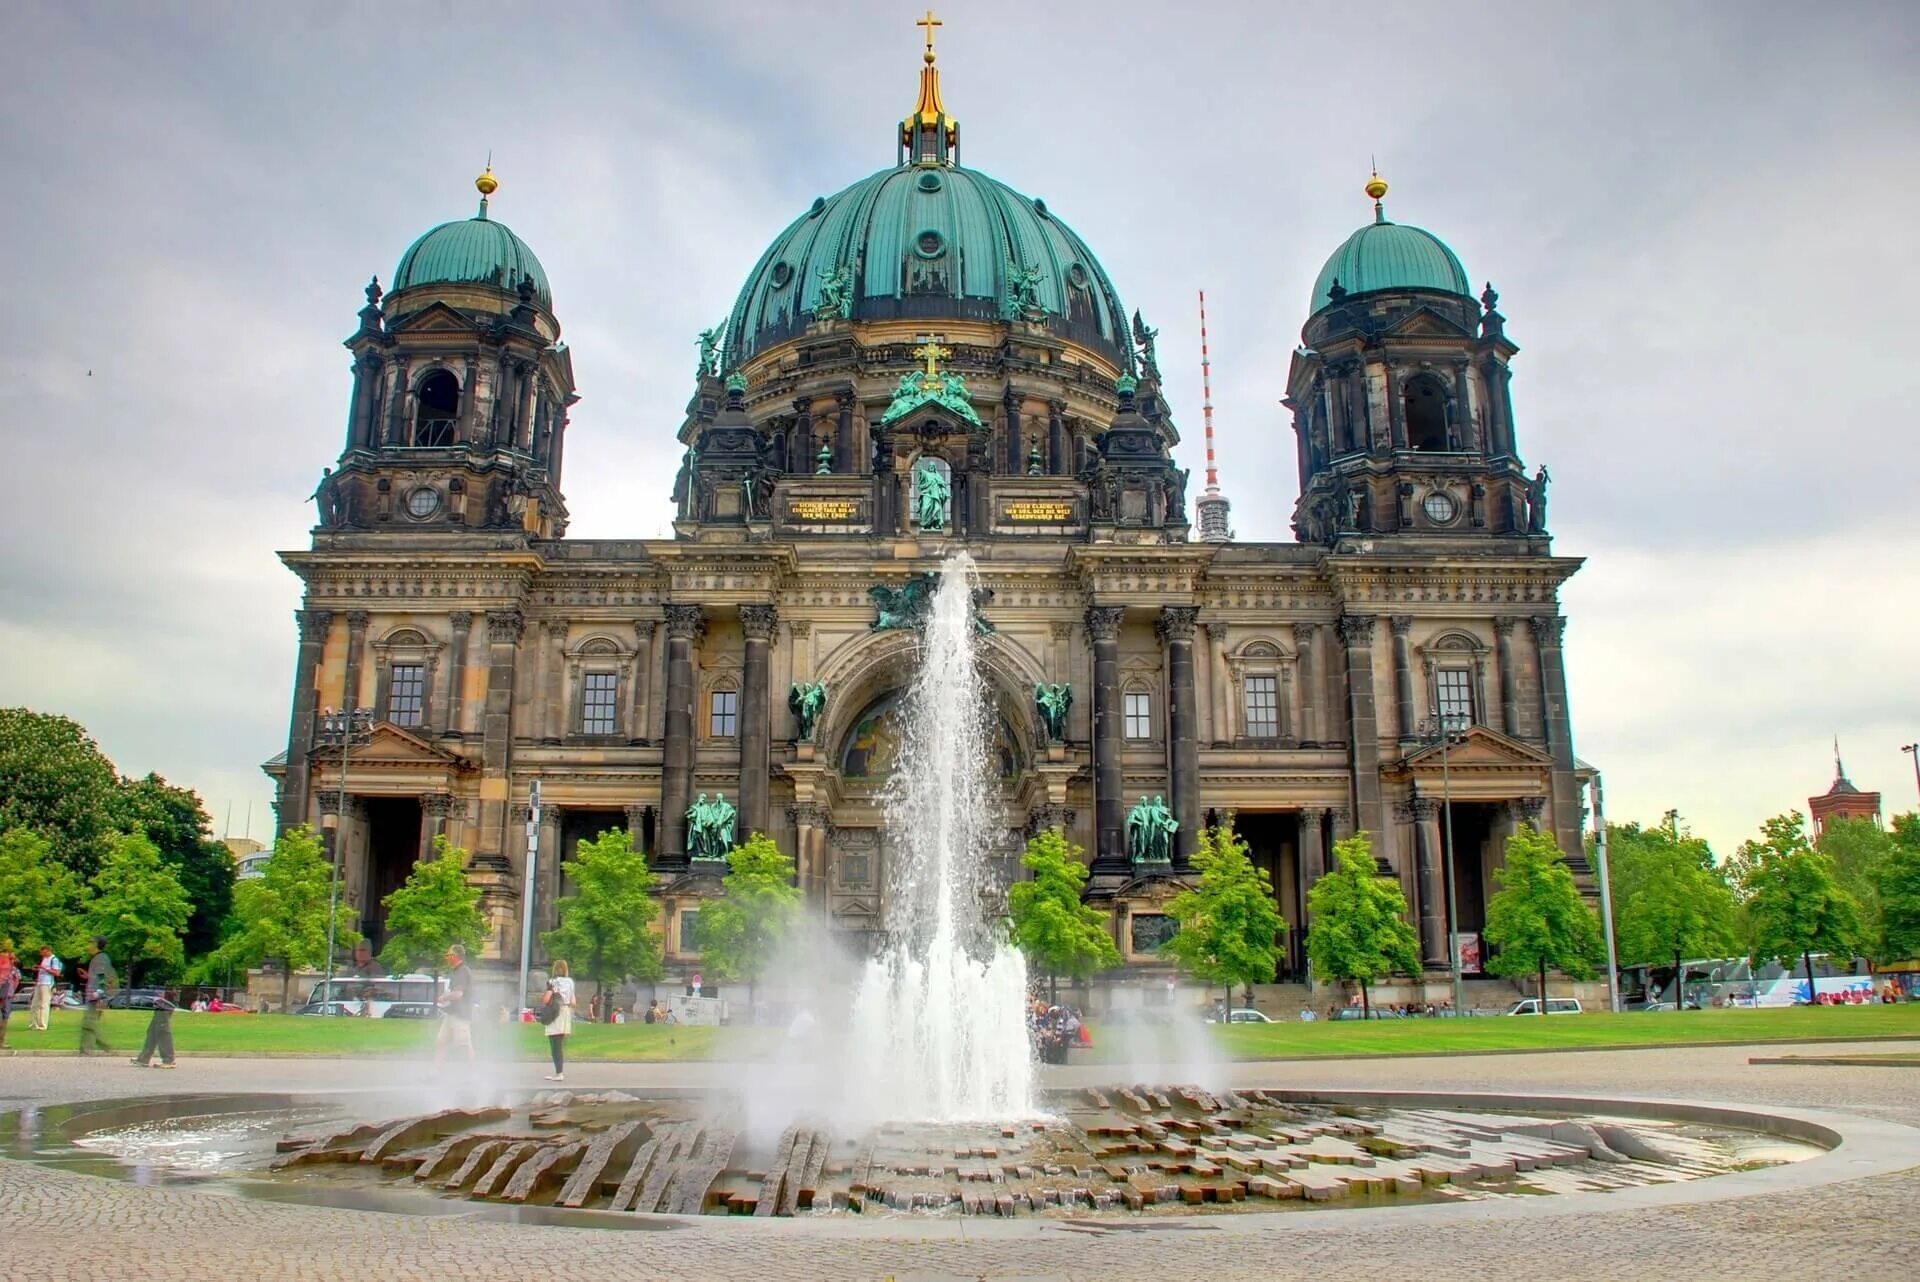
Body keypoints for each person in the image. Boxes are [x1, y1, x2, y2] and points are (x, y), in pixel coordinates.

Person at [435, 943, 474, 1066]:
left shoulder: (463, 971)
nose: (446, 957)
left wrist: (443, 997)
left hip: (460, 1015)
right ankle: (436, 1072)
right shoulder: (456, 971)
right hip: (452, 1013)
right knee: (441, 1042)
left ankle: (472, 1075)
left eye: (448, 955)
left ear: (455, 956)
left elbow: (458, 994)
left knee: (464, 1046)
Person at [80, 936, 116, 1055]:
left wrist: (100, 995)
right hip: (93, 996)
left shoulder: (101, 958)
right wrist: (87, 976)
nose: (88, 945)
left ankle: (106, 1046)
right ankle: (86, 1049)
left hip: (96, 997)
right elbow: (97, 977)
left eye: (91, 942)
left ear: (97, 945)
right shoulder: (97, 958)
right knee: (88, 1023)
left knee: (89, 1022)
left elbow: (103, 978)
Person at [541, 960, 575, 1082]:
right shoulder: (570, 982)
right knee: (559, 1043)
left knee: (554, 1045)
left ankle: (559, 1073)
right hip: (565, 1012)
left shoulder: (552, 981)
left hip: (555, 1013)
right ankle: (558, 1072)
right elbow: (573, 1002)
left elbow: (546, 1000)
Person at [132, 987, 178, 1069]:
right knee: (152, 1031)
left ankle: (168, 1060)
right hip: (161, 1001)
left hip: (165, 1003)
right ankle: (144, 1058)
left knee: (162, 1031)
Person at [30, 945, 61, 1031]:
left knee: (44, 1005)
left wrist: (44, 968)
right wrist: (38, 969)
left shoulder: (54, 959)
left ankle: (43, 1025)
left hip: (47, 983)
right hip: (40, 983)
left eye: (42, 951)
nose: (40, 954)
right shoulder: (44, 959)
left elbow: (57, 973)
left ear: (47, 950)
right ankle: (34, 1024)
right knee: (34, 1005)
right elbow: (43, 970)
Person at [0, 943, 18, 1050]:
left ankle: (1, 1042)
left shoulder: (12, 969)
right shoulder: (4, 968)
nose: (12, 959)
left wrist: (11, 992)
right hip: (4, 995)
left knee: (5, 1017)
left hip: (8, 995)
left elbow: (15, 980)